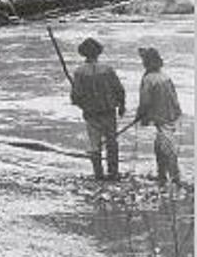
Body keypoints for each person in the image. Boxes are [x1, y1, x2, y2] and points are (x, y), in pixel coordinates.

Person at [70, 37, 126, 181]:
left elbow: (75, 97)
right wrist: (122, 105)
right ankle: (113, 173)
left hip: (91, 113)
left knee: (94, 144)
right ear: (98, 53)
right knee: (112, 142)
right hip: (109, 111)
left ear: (83, 54)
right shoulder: (107, 69)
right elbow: (119, 90)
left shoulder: (79, 72)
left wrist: (83, 104)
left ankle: (98, 175)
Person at [136, 47, 182, 187]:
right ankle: (162, 175)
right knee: (160, 146)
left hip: (161, 117)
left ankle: (174, 177)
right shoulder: (165, 76)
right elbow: (174, 97)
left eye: (144, 60)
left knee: (166, 148)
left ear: (147, 62)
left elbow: (145, 102)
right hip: (171, 115)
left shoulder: (149, 79)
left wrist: (142, 117)